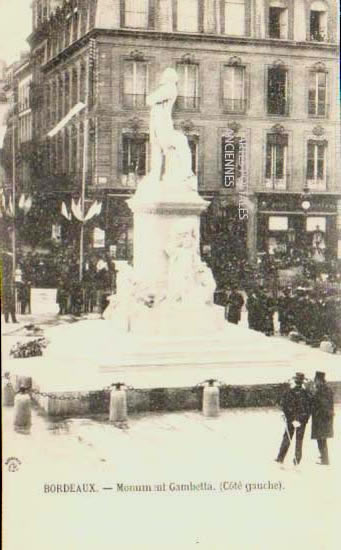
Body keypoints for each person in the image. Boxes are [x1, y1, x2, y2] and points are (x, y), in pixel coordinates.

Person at [275, 372, 312, 466]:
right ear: (302, 382)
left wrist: (290, 419)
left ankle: (280, 458)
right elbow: (309, 408)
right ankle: (297, 460)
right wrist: (304, 420)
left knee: (286, 438)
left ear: (295, 381)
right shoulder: (306, 393)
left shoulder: (289, 392)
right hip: (301, 421)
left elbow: (285, 406)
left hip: (291, 420)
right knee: (299, 440)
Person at [311, 371, 334, 465]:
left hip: (321, 418)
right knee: (321, 438)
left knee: (321, 439)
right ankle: (323, 457)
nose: (315, 382)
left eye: (315, 380)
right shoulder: (326, 389)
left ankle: (325, 459)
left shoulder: (321, 390)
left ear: (319, 380)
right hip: (324, 418)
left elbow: (322, 403)